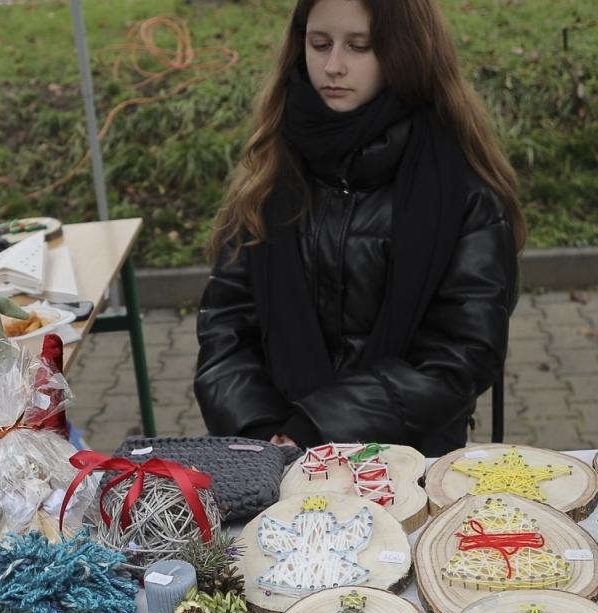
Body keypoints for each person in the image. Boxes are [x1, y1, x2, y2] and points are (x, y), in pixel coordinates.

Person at [193, 0, 523, 454]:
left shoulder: (463, 190)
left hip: (409, 463)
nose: (332, 66)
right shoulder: (269, 168)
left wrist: (317, 427)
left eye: (359, 46)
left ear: (405, 51)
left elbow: (463, 353)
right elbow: (226, 326)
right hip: (276, 458)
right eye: (320, 44)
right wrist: (259, 428)